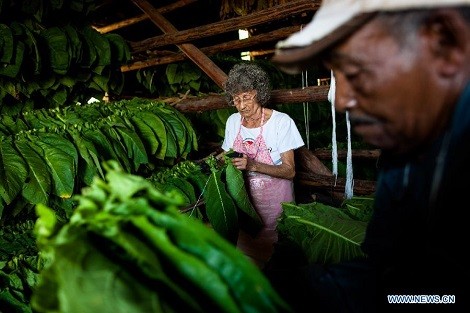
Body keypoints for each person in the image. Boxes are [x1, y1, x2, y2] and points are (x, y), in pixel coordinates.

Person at [265, 0, 470, 312]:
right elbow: (389, 275)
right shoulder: (405, 151)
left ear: (443, 43)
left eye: (356, 69)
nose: (342, 99)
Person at [221, 62, 305, 268]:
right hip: (244, 205)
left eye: (246, 97)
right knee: (247, 260)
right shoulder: (233, 121)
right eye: (236, 99)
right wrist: (213, 162)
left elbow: (290, 170)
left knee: (276, 261)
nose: (241, 105)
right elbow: (225, 155)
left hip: (276, 205)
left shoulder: (281, 122)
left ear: (258, 93)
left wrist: (253, 166)